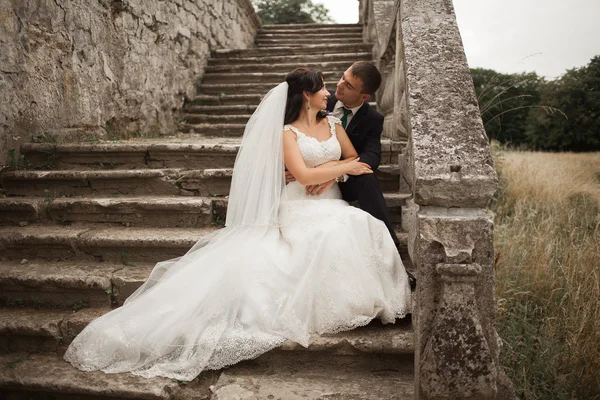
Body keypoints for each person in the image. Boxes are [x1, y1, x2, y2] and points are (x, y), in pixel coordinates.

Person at [64, 68, 412, 381]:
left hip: (330, 201)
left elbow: (352, 157)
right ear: (307, 95)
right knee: (326, 235)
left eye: (334, 87)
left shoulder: (334, 123)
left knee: (361, 225)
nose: (330, 92)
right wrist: (333, 170)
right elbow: (304, 175)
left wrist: (331, 173)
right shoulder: (287, 133)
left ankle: (370, 301)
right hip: (298, 206)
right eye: (323, 88)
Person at [286, 61, 416, 289]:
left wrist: (330, 174)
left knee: (367, 177)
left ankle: (393, 254)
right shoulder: (320, 100)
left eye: (348, 85)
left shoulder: (372, 119)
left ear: (364, 96)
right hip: (301, 186)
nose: (339, 86)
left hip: (344, 181)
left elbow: (371, 157)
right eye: (342, 78)